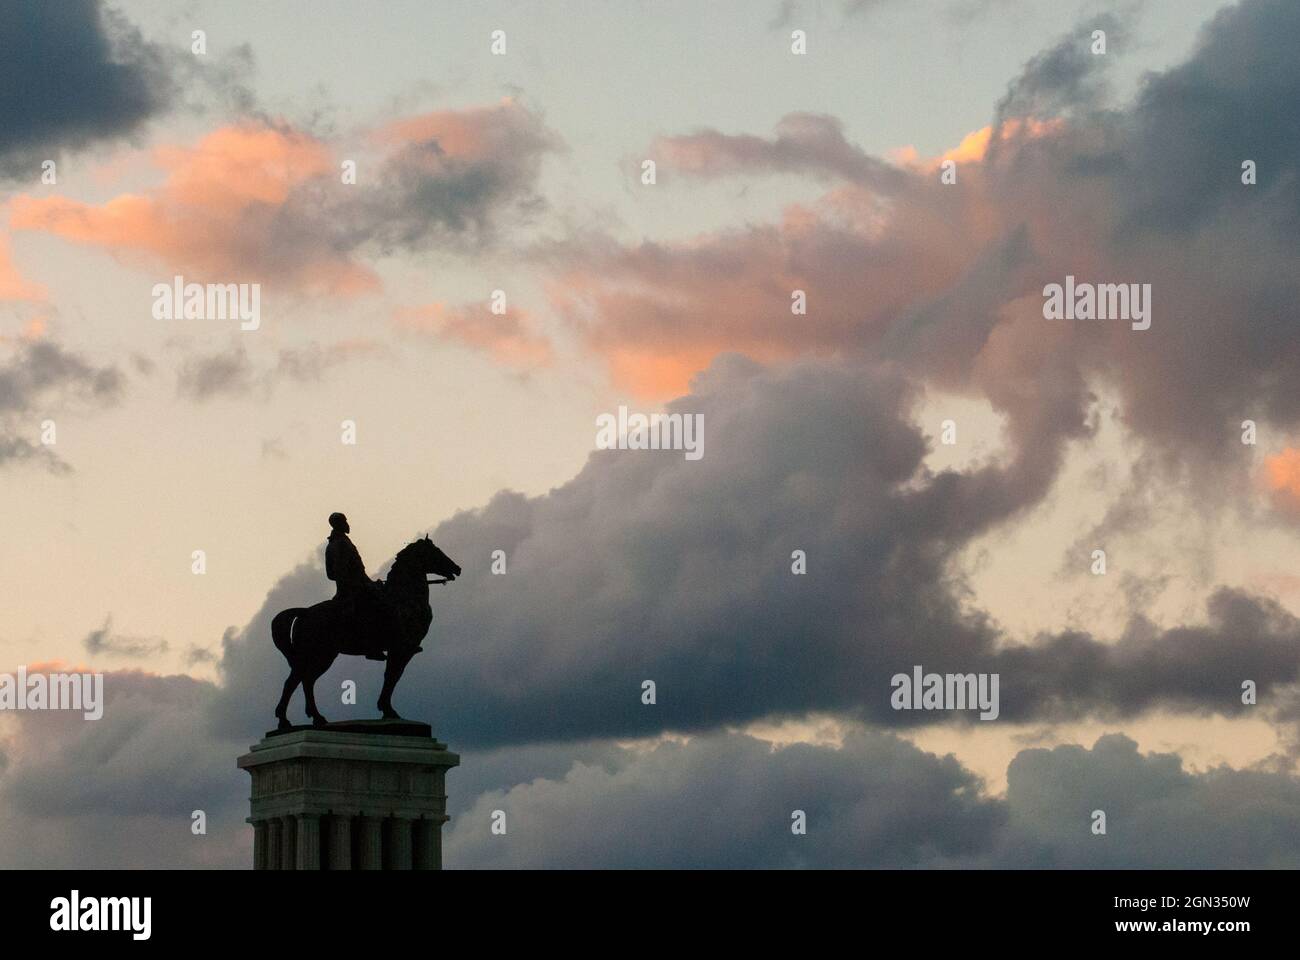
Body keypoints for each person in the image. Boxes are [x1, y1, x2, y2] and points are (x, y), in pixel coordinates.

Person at [325, 512, 394, 660]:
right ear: (339, 524)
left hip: (358, 585)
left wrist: (370, 583)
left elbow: (352, 571)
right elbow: (337, 572)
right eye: (344, 521)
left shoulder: (338, 542)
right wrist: (362, 584)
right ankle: (373, 647)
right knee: (379, 606)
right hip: (351, 590)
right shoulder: (340, 544)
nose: (347, 524)